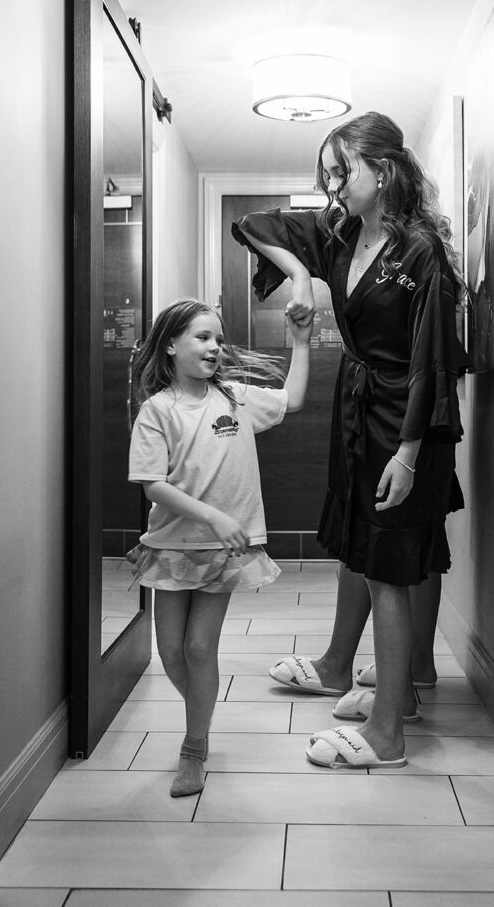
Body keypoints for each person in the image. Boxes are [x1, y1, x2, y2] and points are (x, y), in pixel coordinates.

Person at [231, 111, 469, 769]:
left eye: (343, 171)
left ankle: (388, 734)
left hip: (406, 418)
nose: (332, 185)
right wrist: (301, 278)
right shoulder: (339, 233)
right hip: (358, 407)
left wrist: (409, 450)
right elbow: (255, 226)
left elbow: (431, 361)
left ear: (383, 170)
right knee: (366, 548)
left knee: (390, 565)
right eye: (327, 173)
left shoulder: (419, 250)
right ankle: (386, 692)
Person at [125, 297, 312, 795]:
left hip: (225, 550)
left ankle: (194, 744)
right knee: (170, 652)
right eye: (202, 337)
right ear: (171, 346)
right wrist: (210, 514)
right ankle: (202, 708)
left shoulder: (235, 399)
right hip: (172, 546)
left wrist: (300, 340)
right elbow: (151, 483)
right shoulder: (157, 410)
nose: (215, 346)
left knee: (199, 646)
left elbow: (291, 400)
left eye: (217, 338)